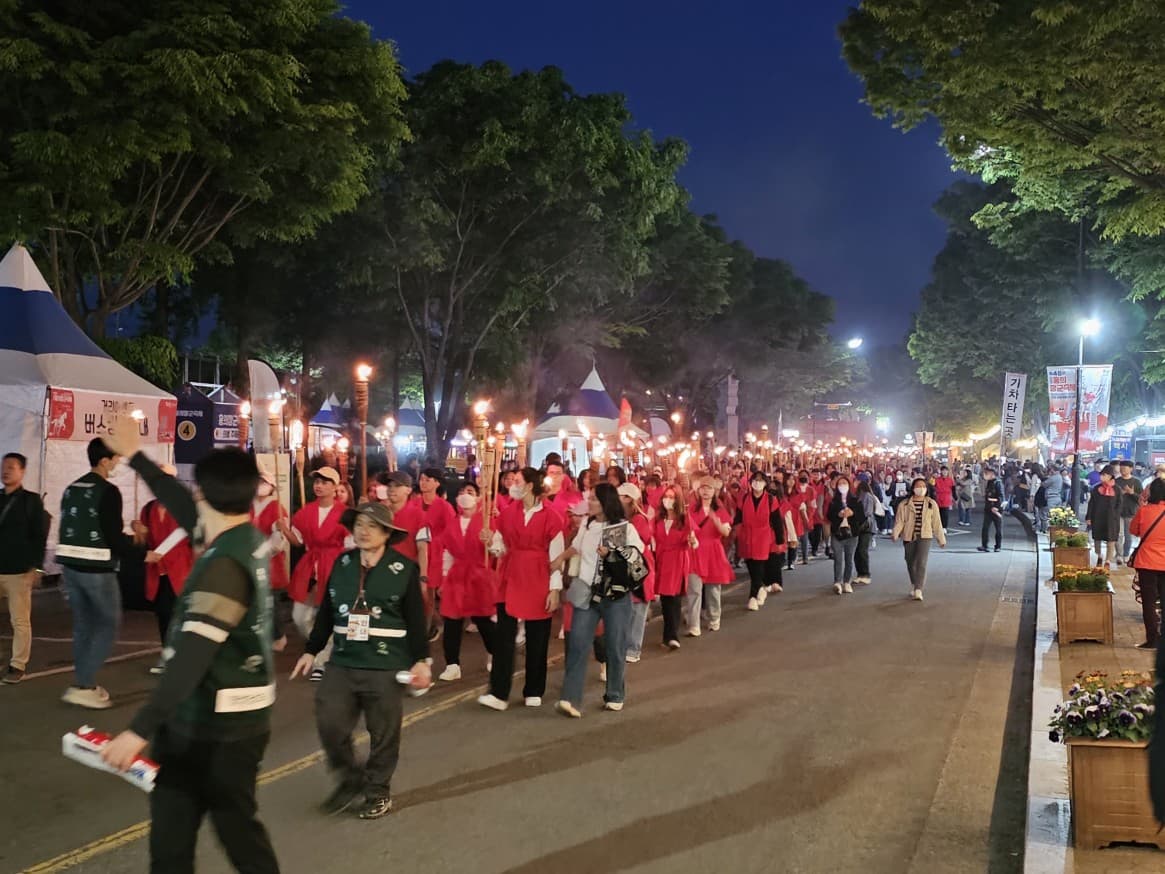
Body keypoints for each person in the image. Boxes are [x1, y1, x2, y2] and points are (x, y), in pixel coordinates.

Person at [98, 422, 280, 874]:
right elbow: (182, 505)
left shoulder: (224, 567)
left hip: (218, 733)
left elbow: (192, 658)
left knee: (236, 835)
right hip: (208, 726)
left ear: (206, 494)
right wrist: (136, 455)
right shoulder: (243, 539)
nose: (190, 495)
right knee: (177, 842)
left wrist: (137, 730)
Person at [292, 502, 432, 820]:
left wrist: (421, 660)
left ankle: (377, 791)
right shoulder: (343, 563)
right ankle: (350, 778)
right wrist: (311, 650)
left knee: (383, 734)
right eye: (358, 524)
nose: (363, 531)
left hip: (385, 664)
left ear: (386, 533)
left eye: (371, 525)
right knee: (330, 724)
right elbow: (326, 612)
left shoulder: (403, 568)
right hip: (343, 660)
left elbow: (415, 619)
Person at [57, 438, 142, 709]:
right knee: (107, 624)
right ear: (104, 461)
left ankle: (84, 682)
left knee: (83, 625)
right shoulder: (108, 491)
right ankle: (83, 684)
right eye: (115, 459)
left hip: (70, 567)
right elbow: (113, 538)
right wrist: (139, 546)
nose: (117, 463)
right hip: (98, 569)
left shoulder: (72, 488)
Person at [554, 483, 647, 718]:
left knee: (615, 645)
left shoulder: (624, 528)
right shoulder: (588, 524)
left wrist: (613, 555)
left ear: (606, 502)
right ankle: (571, 698)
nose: (590, 503)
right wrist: (558, 561)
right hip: (586, 591)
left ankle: (615, 693)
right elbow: (576, 547)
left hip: (615, 595)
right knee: (577, 643)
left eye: (594, 499)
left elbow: (637, 554)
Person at [479, 467, 563, 711]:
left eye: (517, 481)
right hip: (511, 575)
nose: (512, 484)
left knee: (538, 635)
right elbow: (501, 548)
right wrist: (490, 541)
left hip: (539, 575)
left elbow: (557, 556)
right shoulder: (507, 513)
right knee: (504, 637)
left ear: (529, 486)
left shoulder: (551, 516)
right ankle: (499, 691)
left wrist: (554, 589)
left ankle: (534, 689)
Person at [280, 467, 346, 681]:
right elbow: (298, 541)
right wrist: (284, 529)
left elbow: (351, 545)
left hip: (334, 565)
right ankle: (323, 646)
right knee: (300, 616)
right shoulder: (305, 512)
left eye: (325, 482)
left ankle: (321, 660)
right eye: (317, 481)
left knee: (328, 614)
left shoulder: (344, 514)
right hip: (310, 566)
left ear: (335, 487)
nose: (319, 485)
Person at [136, 465, 194, 675]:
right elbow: (143, 541)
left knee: (179, 614)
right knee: (163, 614)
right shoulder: (148, 509)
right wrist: (139, 531)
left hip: (180, 568)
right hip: (157, 570)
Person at [437, 482, 497, 681]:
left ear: (479, 498)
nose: (465, 495)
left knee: (483, 620)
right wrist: (444, 577)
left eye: (470, 492)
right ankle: (452, 664)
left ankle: (495, 653)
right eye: (461, 492)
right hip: (457, 576)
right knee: (452, 620)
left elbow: (498, 550)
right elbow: (447, 552)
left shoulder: (487, 521)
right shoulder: (453, 522)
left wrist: (490, 541)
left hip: (480, 575)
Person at [0, 452, 47, 684]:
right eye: (3, 466)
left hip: (19, 570)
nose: (5, 470)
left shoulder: (31, 500)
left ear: (22, 471)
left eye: (11, 467)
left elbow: (40, 535)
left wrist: (37, 568)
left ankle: (17, 665)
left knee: (19, 620)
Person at [685, 476, 734, 633]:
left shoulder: (720, 510)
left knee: (713, 588)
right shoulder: (691, 508)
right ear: (698, 490)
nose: (705, 491)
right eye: (703, 488)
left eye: (709, 488)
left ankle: (714, 618)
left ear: (715, 491)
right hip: (695, 550)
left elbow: (726, 532)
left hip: (713, 551)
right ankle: (694, 624)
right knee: (694, 589)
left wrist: (716, 521)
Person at [250, 472, 291, 651]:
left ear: (272, 487)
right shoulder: (247, 506)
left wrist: (262, 553)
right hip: (248, 558)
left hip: (270, 561)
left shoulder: (277, 508)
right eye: (257, 481)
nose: (260, 485)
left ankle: (278, 635)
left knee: (271, 601)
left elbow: (278, 539)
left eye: (264, 482)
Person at [892, 477, 947, 601]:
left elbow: (937, 523)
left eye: (923, 486)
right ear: (913, 488)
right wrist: (895, 533)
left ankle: (918, 589)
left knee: (921, 562)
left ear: (926, 489)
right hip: (909, 535)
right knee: (910, 562)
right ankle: (914, 583)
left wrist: (941, 539)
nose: (920, 488)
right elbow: (900, 521)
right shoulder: (904, 504)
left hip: (925, 536)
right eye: (918, 486)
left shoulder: (931, 503)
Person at [618, 483, 656, 663]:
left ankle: (634, 647)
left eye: (622, 496)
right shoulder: (622, 518)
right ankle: (627, 645)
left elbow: (643, 541)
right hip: (627, 563)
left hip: (639, 564)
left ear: (629, 499)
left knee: (638, 608)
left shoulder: (639, 519)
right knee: (628, 608)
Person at [652, 484, 691, 649]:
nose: (668, 500)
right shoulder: (657, 519)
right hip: (661, 560)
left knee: (674, 598)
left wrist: (692, 541)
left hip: (677, 559)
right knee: (665, 599)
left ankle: (672, 635)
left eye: (672, 497)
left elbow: (691, 537)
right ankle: (667, 635)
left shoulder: (684, 518)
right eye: (666, 497)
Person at [1129, 478, 1165, 650]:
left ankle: (1152, 639)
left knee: (1149, 602)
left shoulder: (1144, 511)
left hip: (1147, 562)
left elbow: (1133, 530)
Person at [734, 471, 776, 611]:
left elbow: (776, 520)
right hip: (746, 537)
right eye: (755, 480)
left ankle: (752, 597)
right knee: (751, 567)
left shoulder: (771, 499)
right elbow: (738, 517)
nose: (757, 483)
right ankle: (760, 589)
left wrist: (781, 539)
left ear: (765, 483)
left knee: (758, 567)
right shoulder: (744, 498)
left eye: (760, 480)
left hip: (763, 537)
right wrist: (736, 531)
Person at [827, 475, 866, 595]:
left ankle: (847, 581)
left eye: (845, 483)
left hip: (852, 534)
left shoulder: (855, 500)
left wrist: (852, 513)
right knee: (838, 558)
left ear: (849, 485)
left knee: (849, 559)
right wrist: (838, 515)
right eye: (840, 484)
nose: (842, 486)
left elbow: (862, 517)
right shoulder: (833, 501)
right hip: (837, 534)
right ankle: (837, 582)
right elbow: (829, 516)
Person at [1085, 464, 1120, 570]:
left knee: (1111, 539)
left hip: (1111, 519)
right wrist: (1089, 517)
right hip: (1098, 516)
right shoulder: (1096, 488)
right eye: (1101, 475)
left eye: (1104, 475)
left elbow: (1119, 504)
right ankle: (1099, 556)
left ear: (1110, 476)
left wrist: (1115, 515)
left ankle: (1108, 560)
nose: (1102, 477)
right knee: (1097, 538)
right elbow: (1091, 504)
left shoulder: (1117, 489)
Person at [1115, 460, 1143, 566]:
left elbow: (1141, 499)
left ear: (1131, 469)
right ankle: (1119, 555)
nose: (1122, 470)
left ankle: (1126, 554)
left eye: (1125, 468)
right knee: (1119, 534)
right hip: (1118, 512)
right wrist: (1120, 494)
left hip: (1131, 512)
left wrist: (1132, 493)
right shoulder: (1117, 481)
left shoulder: (1136, 482)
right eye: (1121, 468)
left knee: (1128, 535)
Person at [854, 478, 877, 586]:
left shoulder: (867, 496)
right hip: (859, 525)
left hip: (866, 526)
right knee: (857, 551)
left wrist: (859, 518)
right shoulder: (858, 496)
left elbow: (867, 512)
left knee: (862, 550)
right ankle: (860, 573)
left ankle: (866, 574)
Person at [977, 468, 1004, 553]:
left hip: (996, 510)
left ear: (992, 474)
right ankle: (984, 545)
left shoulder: (998, 483)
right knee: (985, 528)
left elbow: (1001, 497)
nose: (985, 475)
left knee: (998, 529)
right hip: (988, 509)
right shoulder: (989, 482)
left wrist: (997, 507)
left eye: (987, 473)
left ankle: (998, 546)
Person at [932, 465, 955, 531]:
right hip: (938, 498)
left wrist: (955, 498)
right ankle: (938, 526)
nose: (945, 472)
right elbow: (931, 485)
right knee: (937, 513)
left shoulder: (950, 480)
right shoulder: (937, 479)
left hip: (946, 498)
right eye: (943, 471)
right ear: (941, 471)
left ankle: (944, 527)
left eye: (946, 471)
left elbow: (953, 489)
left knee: (945, 514)